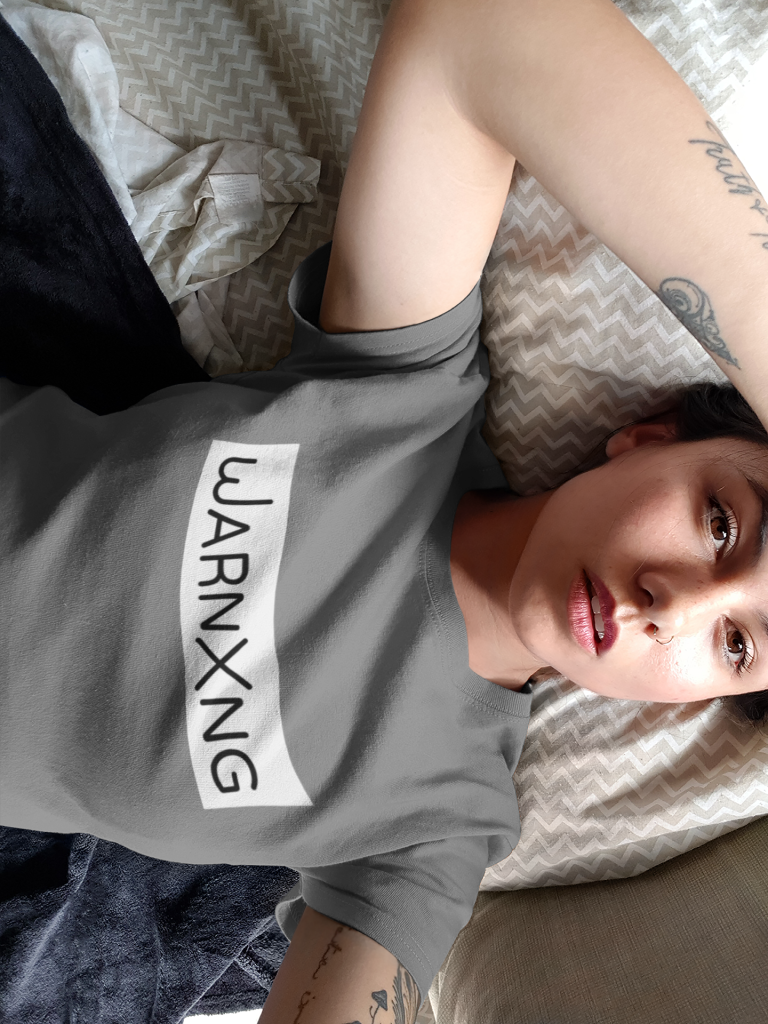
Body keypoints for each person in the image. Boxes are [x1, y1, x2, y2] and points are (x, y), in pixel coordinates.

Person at [2, 0, 768, 1021]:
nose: (673, 604)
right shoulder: (405, 394)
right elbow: (484, 28)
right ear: (648, 438)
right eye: (721, 523)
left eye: (736, 645)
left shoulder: (440, 826)